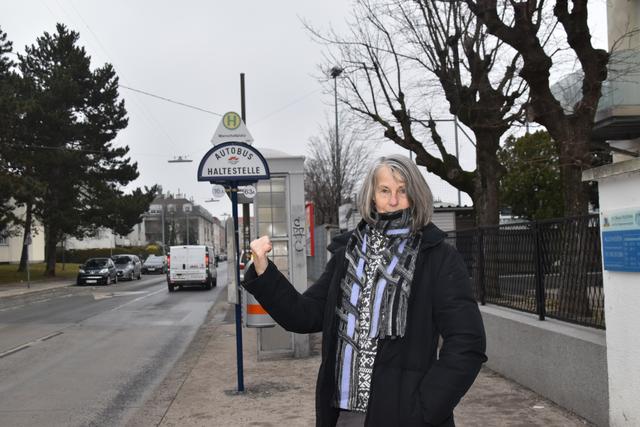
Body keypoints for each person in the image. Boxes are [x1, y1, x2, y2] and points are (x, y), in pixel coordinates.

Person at [243, 154, 486, 427]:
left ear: (415, 195)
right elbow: (304, 314)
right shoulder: (348, 253)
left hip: (409, 417)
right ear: (372, 196)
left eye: (402, 190)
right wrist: (264, 270)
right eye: (385, 190)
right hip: (347, 415)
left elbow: (467, 343)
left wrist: (425, 408)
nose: (393, 200)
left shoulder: (438, 257)